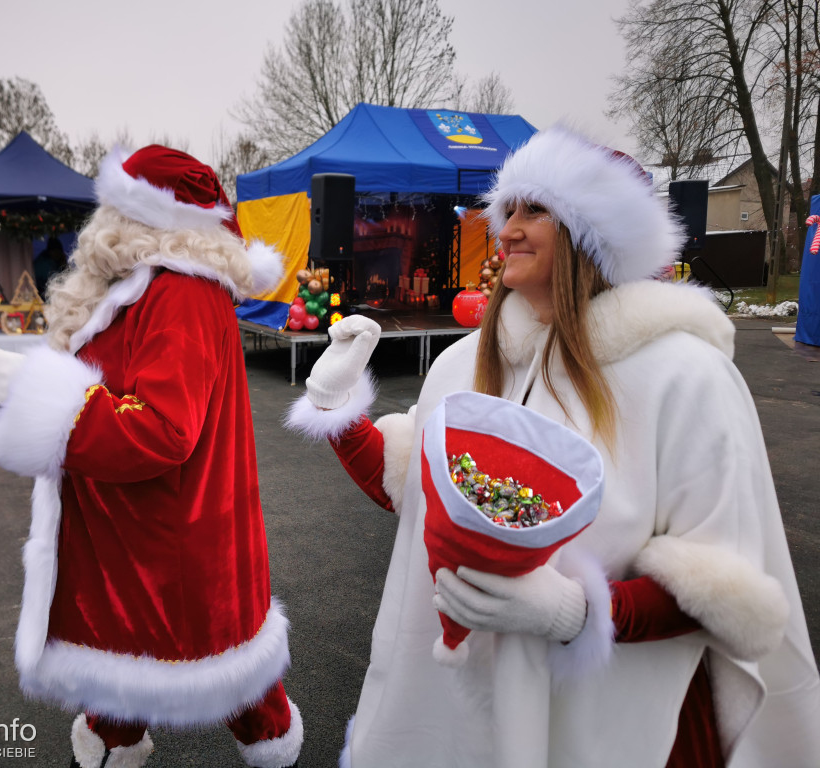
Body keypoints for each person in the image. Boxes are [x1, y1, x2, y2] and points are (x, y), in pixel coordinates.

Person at [286, 125, 820, 767]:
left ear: (594, 232)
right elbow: (418, 501)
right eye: (506, 209)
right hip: (452, 711)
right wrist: (339, 411)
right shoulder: (464, 362)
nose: (506, 229)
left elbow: (724, 590)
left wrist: (578, 611)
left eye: (533, 210)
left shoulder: (684, 377)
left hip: (599, 722)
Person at [0, 145, 303, 768]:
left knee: (215, 657)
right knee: (137, 656)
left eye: (116, 208)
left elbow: (161, 429)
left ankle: (268, 746)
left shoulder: (179, 290)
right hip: (137, 527)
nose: (102, 223)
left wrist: (37, 394)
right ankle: (118, 742)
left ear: (146, 217)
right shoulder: (141, 281)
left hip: (170, 532)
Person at [32, 235, 69, 301]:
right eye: (55, 251)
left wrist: (64, 265)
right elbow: (56, 281)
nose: (58, 254)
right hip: (43, 294)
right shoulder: (43, 262)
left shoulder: (56, 261)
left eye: (59, 252)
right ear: (50, 251)